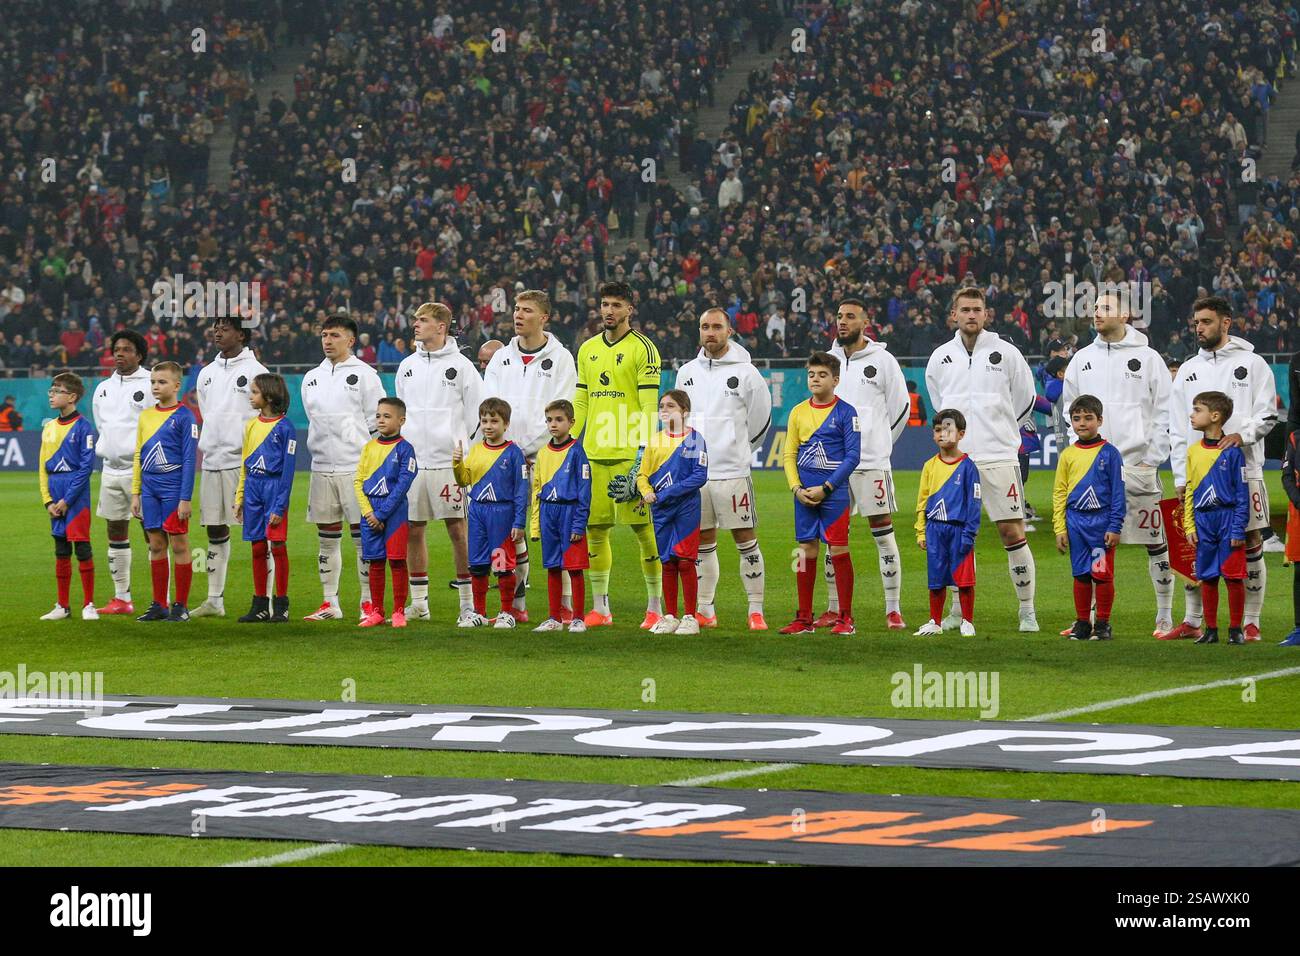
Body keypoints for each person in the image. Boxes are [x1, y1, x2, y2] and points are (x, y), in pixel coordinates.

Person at [925, 286, 1040, 631]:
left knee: (1011, 530)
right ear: (954, 315)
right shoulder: (940, 357)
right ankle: (958, 613)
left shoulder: (1006, 353)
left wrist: (999, 432)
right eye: (965, 310)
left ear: (986, 314)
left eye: (977, 309)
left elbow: (1025, 399)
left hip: (999, 455)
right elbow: (939, 404)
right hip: (956, 461)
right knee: (955, 535)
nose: (971, 315)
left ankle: (1027, 610)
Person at [1061, 290, 1173, 636]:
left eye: (1106, 307)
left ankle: (1165, 614)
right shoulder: (1081, 358)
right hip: (1094, 469)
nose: (1097, 312)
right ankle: (1092, 617)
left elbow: (1164, 412)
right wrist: (1081, 453)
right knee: (1097, 544)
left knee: (1155, 541)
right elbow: (1070, 410)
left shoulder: (1149, 358)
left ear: (1125, 315)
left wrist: (1150, 459)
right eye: (1094, 307)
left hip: (1137, 465)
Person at [1167, 296, 1277, 641]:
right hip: (1198, 475)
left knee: (1250, 539)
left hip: (1245, 469)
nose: (1199, 328)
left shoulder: (1253, 364)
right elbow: (1175, 426)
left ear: (1226, 323)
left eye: (1206, 322)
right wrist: (1181, 477)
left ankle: (1251, 621)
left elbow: (1268, 415)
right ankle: (1193, 620)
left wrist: (1241, 436)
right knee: (1198, 545)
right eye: (1196, 322)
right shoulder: (1187, 370)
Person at [482, 290, 578, 621]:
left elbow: (563, 409)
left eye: (526, 310)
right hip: (504, 459)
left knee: (555, 531)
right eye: (517, 310)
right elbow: (489, 407)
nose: (518, 315)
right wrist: (505, 451)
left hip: (547, 459)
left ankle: (564, 603)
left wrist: (528, 448)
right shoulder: (500, 358)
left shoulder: (562, 358)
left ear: (544, 317)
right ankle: (513, 605)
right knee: (505, 533)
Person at [674, 307, 772, 630]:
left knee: (746, 539)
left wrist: (737, 450)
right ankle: (705, 608)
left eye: (717, 326)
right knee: (702, 542)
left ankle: (755, 609)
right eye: (705, 327)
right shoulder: (686, 372)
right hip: (696, 474)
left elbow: (761, 422)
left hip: (732, 473)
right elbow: (681, 420)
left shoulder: (747, 374)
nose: (710, 332)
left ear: (730, 331)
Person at [572, 281, 663, 629]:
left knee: (644, 530)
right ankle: (601, 608)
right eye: (604, 304)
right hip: (593, 453)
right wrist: (572, 443)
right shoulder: (588, 349)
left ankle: (654, 606)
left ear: (630, 309)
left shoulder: (644, 349)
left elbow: (649, 405)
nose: (608, 310)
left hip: (629, 456)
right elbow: (582, 398)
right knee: (594, 530)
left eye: (616, 305)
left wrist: (643, 457)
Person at [822, 298, 910, 630]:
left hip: (871, 462)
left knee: (883, 533)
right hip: (833, 466)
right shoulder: (827, 360)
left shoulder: (884, 361)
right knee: (834, 538)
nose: (842, 321)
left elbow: (900, 409)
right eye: (839, 316)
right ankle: (833, 607)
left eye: (850, 317)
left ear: (866, 322)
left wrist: (876, 444)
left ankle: (892, 608)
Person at [395, 301, 482, 624]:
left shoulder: (461, 367)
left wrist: (462, 452)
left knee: (458, 530)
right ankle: (419, 603)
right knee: (413, 529)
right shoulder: (407, 366)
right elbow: (403, 413)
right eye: (416, 319)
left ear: (441, 327)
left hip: (450, 463)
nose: (416, 324)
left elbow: (476, 415)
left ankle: (467, 604)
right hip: (415, 463)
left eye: (423, 320)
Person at [300, 314, 385, 621]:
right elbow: (313, 419)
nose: (327, 340)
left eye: (334, 335)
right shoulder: (312, 377)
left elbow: (378, 418)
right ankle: (329, 603)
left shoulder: (365, 375)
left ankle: (366, 601)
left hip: (355, 467)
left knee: (362, 537)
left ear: (350, 340)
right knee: (327, 536)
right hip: (321, 465)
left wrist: (362, 449)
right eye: (324, 334)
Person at [780, 352, 861, 635]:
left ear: (835, 380)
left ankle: (845, 618)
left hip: (833, 496)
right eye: (812, 374)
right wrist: (796, 488)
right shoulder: (798, 411)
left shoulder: (847, 413)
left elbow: (853, 457)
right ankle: (804, 618)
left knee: (838, 549)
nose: (815, 379)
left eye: (822, 375)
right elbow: (789, 454)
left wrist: (827, 488)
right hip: (803, 496)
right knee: (804, 551)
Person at [193, 316, 268, 618]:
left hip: (244, 463)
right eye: (216, 328)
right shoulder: (206, 373)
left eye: (225, 328)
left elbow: (265, 416)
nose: (218, 332)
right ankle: (214, 600)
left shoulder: (256, 371)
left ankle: (264, 598)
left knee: (255, 531)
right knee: (214, 528)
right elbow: (205, 412)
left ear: (241, 334)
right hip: (212, 459)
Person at [1053, 395, 1126, 641]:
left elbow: (1118, 493)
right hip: (1076, 523)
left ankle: (1103, 624)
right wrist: (1060, 528)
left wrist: (1115, 525)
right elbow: (1059, 492)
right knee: (1081, 574)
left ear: (1100, 420)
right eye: (1076, 419)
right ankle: (1083, 623)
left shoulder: (1110, 454)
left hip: (1100, 524)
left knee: (1100, 574)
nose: (1082, 423)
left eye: (1088, 418)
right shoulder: (1067, 455)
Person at [131, 361, 199, 622]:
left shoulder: (185, 417)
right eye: (153, 382)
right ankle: (159, 604)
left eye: (162, 382)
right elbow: (139, 453)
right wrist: (136, 492)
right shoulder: (146, 415)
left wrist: (185, 498)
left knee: (179, 544)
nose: (156, 387)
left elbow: (190, 459)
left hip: (173, 490)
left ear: (176, 385)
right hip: (149, 490)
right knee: (156, 544)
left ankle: (180, 606)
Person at [637, 390, 709, 635]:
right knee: (667, 562)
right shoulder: (654, 440)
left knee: (686, 562)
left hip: (686, 508)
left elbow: (699, 476)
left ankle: (690, 617)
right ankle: (669, 616)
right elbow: (642, 475)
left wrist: (665, 494)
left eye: (670, 406)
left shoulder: (695, 440)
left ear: (685, 412)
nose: (664, 410)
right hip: (660, 511)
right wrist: (646, 491)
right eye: (661, 406)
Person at [453, 397, 529, 628]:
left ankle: (507, 612)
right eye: (484, 420)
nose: (488, 425)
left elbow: (521, 490)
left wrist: (518, 522)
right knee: (476, 563)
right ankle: (480, 613)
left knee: (502, 563)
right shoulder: (475, 451)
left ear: (506, 424)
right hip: (477, 511)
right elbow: (465, 480)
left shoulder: (514, 453)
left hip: (502, 513)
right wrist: (456, 465)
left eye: (494, 421)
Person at [91, 329, 152, 614]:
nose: (119, 353)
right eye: (116, 348)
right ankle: (122, 598)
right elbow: (101, 425)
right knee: (115, 528)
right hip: (110, 470)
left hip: (141, 471)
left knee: (152, 532)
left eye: (127, 349)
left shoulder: (151, 384)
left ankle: (159, 599)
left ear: (139, 355)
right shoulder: (103, 387)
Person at [1184, 391, 1250, 645]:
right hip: (1203, 521)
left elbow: (1241, 494)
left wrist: (1237, 528)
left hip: (1228, 518)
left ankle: (1236, 629)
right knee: (1207, 575)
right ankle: (1211, 630)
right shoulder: (1193, 451)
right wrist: (1190, 524)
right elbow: (1190, 489)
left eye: (1197, 409)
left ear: (1215, 416)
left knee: (1233, 576)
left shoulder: (1233, 453)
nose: (1192, 414)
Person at [233, 373, 296, 623]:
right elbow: (244, 464)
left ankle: (281, 604)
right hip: (253, 489)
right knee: (257, 546)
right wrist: (240, 496)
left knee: (277, 546)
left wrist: (280, 505)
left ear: (269, 396)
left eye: (255, 392)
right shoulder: (250, 425)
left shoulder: (285, 427)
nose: (251, 396)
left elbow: (288, 471)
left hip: (274, 488)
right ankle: (260, 605)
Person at [912, 409, 980, 636]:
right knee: (936, 576)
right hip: (934, 529)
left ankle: (968, 621)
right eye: (938, 430)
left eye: (948, 429)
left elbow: (974, 502)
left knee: (964, 578)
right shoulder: (929, 465)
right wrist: (921, 531)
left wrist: (969, 533)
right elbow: (922, 500)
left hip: (959, 529)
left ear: (961, 434)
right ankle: (935, 621)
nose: (943, 434)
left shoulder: (968, 466)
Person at [38, 372, 98, 621]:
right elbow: (42, 466)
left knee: (82, 547)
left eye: (57, 391)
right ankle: (62, 605)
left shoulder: (85, 427)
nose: (51, 395)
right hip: (56, 491)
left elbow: (86, 468)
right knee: (61, 549)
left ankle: (89, 604)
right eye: (51, 391)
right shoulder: (49, 427)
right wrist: (48, 501)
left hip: (76, 494)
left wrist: (67, 500)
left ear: (71, 396)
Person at [355, 397, 418, 628]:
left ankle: (399, 611)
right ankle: (377, 612)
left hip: (394, 514)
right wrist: (368, 512)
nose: (381, 420)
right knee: (375, 562)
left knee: (397, 561)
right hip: (370, 514)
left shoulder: (405, 449)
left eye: (387, 416)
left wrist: (380, 514)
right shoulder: (369, 448)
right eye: (379, 415)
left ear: (401, 420)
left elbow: (403, 485)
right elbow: (358, 481)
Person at [530, 400, 591, 632]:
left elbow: (585, 490)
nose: (553, 425)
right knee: (553, 566)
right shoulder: (543, 453)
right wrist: (535, 526)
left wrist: (579, 524)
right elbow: (537, 489)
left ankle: (578, 618)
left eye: (558, 420)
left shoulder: (577, 452)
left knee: (574, 567)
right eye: (549, 420)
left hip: (570, 512)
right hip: (549, 514)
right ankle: (554, 618)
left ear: (571, 422)